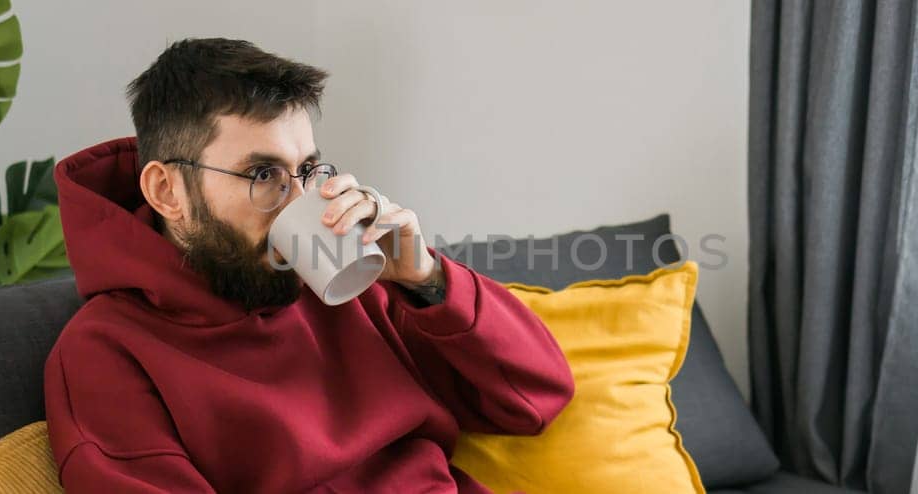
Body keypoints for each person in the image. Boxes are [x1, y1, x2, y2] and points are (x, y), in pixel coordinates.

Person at [42, 38, 575, 493]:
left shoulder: (346, 282)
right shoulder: (104, 353)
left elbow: (536, 398)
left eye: (308, 169)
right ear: (167, 190)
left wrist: (426, 278)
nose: (298, 199)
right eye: (263, 174)